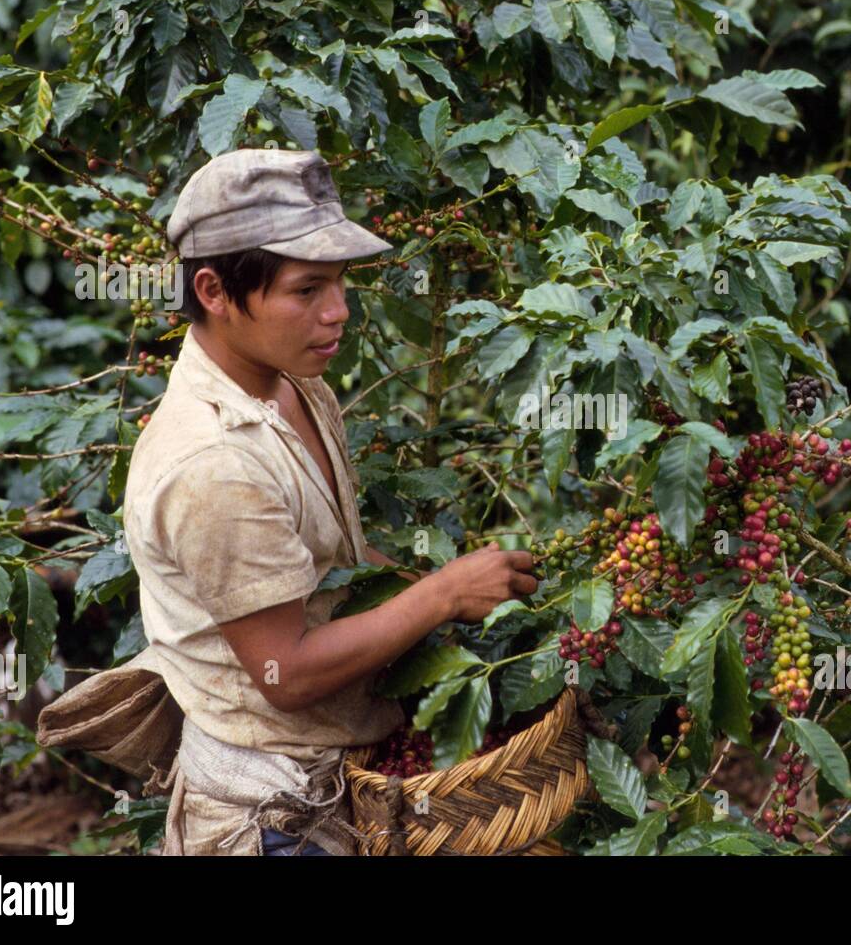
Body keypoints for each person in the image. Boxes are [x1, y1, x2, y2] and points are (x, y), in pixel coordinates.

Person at [119, 148, 537, 855]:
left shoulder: (293, 384)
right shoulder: (214, 462)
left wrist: (474, 620)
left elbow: (336, 565)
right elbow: (288, 671)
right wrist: (438, 595)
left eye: (340, 283)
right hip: (279, 814)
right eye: (307, 289)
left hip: (348, 777)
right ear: (216, 291)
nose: (338, 311)